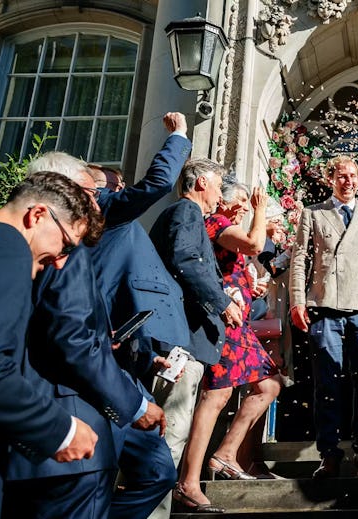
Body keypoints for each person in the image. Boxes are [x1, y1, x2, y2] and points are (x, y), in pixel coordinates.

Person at [4, 156, 168, 519]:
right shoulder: (36, 250)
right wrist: (61, 429)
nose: (96, 203)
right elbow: (70, 342)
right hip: (66, 434)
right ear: (49, 203)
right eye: (90, 193)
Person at [87, 113, 194, 519]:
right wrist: (179, 136)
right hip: (106, 362)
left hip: (130, 352)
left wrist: (150, 354)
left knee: (153, 470)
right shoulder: (104, 210)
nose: (122, 191)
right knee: (114, 468)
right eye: (113, 187)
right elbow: (158, 183)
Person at [175, 178, 283, 509]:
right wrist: (261, 207)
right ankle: (188, 481)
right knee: (216, 395)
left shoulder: (222, 224)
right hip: (223, 324)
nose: (243, 208)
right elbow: (253, 244)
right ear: (222, 201)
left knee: (268, 386)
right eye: (239, 202)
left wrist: (249, 288)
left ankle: (224, 453)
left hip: (237, 323)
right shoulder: (215, 221)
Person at [289, 155, 358, 480]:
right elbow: (299, 259)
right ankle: (329, 454)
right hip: (325, 305)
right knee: (327, 381)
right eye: (341, 176)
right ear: (330, 180)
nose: (347, 181)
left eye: (352, 176)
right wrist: (297, 301)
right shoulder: (313, 213)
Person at [0, 172, 101, 511]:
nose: (61, 260)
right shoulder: (10, 247)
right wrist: (61, 429)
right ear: (38, 215)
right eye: (66, 244)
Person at [150, 158, 242, 513]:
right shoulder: (187, 212)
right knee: (171, 434)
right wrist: (221, 302)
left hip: (184, 340)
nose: (221, 194)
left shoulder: (187, 216)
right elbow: (186, 259)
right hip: (180, 342)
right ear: (202, 182)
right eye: (219, 185)